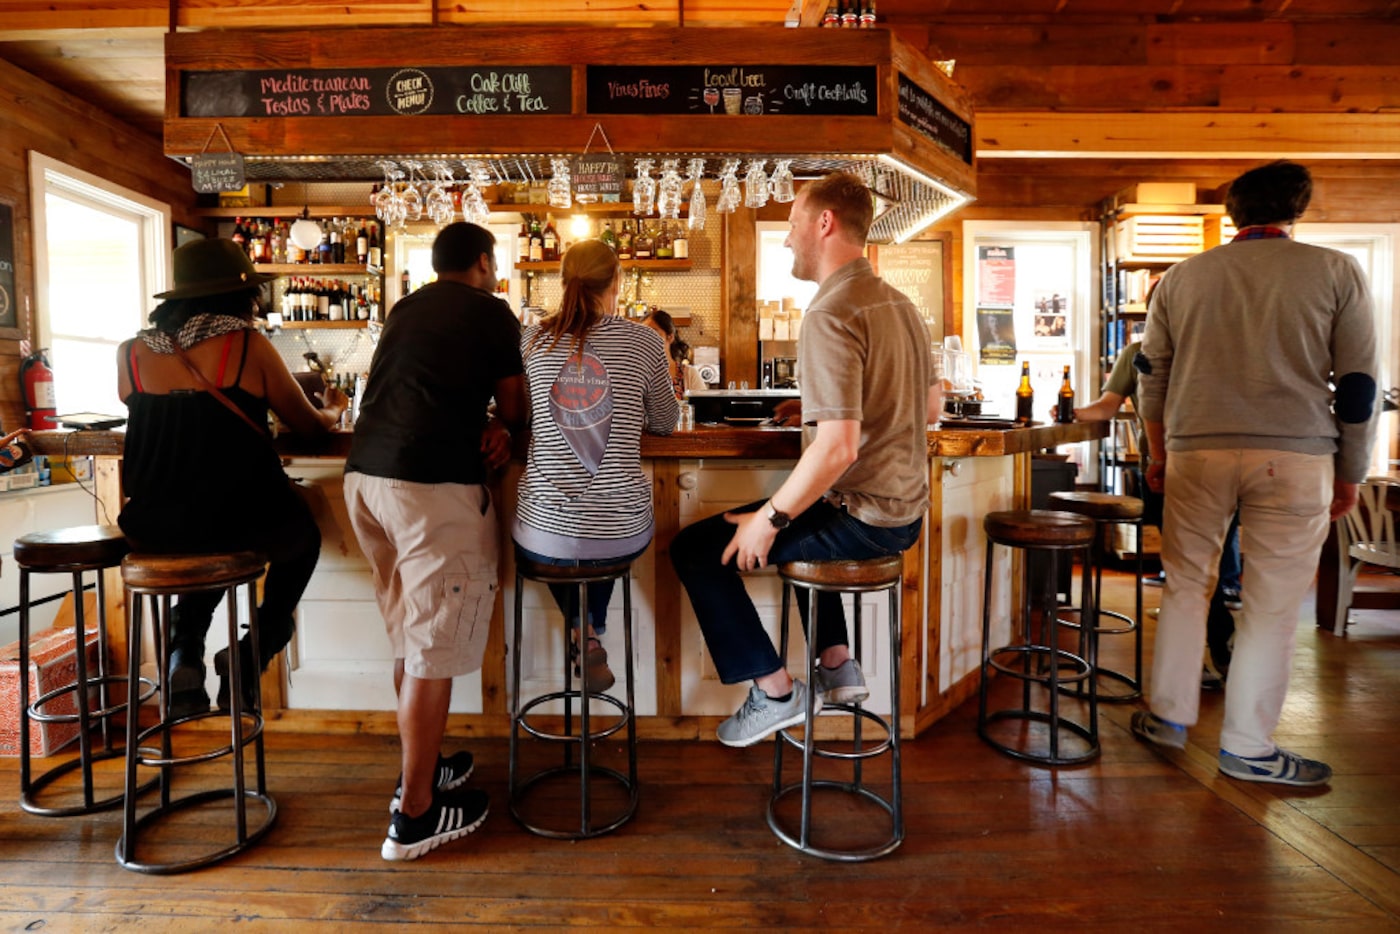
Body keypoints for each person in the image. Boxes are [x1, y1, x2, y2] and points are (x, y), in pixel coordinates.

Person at [1131, 160, 1380, 786]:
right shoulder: (1335, 271)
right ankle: (1247, 747)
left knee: (1188, 583)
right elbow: (1357, 385)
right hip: (1297, 453)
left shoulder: (1182, 277)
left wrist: (1157, 452)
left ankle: (1167, 716)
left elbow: (1149, 375)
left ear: (1232, 214)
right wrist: (1351, 469)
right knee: (1270, 606)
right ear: (1297, 209)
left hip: (1195, 448)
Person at [671, 171, 939, 747]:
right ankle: (838, 665)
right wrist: (817, 407)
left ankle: (774, 693)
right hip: (903, 516)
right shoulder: (900, 302)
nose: (789, 239)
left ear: (825, 223)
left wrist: (768, 520)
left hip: (863, 519)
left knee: (698, 549)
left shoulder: (830, 310)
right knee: (795, 515)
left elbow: (839, 448)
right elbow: (931, 404)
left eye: (792, 225)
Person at [344, 222, 527, 860]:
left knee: (410, 634)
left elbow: (415, 392)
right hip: (428, 488)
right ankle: (416, 815)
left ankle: (419, 771)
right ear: (484, 261)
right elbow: (514, 406)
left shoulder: (405, 307)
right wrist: (508, 433)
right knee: (431, 643)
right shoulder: (491, 311)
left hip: (365, 481)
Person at [117, 238, 348, 721]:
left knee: (200, 540)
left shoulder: (131, 353)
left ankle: (183, 653)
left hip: (152, 525)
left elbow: (151, 415)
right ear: (241, 297)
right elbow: (306, 424)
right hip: (243, 516)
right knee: (298, 540)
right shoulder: (246, 345)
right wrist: (333, 410)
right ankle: (250, 650)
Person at [514, 239, 678, 689]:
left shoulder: (531, 339)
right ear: (618, 282)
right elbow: (665, 422)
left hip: (542, 532)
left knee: (563, 537)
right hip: (621, 531)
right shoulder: (645, 339)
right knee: (598, 533)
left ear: (562, 281)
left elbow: (522, 415)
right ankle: (587, 633)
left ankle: (581, 631)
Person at [1072, 337, 1239, 686]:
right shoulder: (1141, 353)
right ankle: (1220, 658)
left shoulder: (1161, 351)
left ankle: (1212, 662)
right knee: (1199, 569)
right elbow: (1106, 406)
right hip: (1176, 471)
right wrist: (1068, 412)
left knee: (1197, 569)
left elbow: (1106, 407)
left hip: (1190, 469)